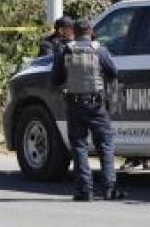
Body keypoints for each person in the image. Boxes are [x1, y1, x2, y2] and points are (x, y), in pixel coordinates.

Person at [52, 18, 124, 201]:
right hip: (97, 104)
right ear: (91, 32)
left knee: (79, 146)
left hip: (74, 103)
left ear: (74, 32)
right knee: (105, 145)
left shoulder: (65, 50)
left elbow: (55, 79)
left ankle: (85, 191)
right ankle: (109, 189)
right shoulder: (99, 50)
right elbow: (114, 72)